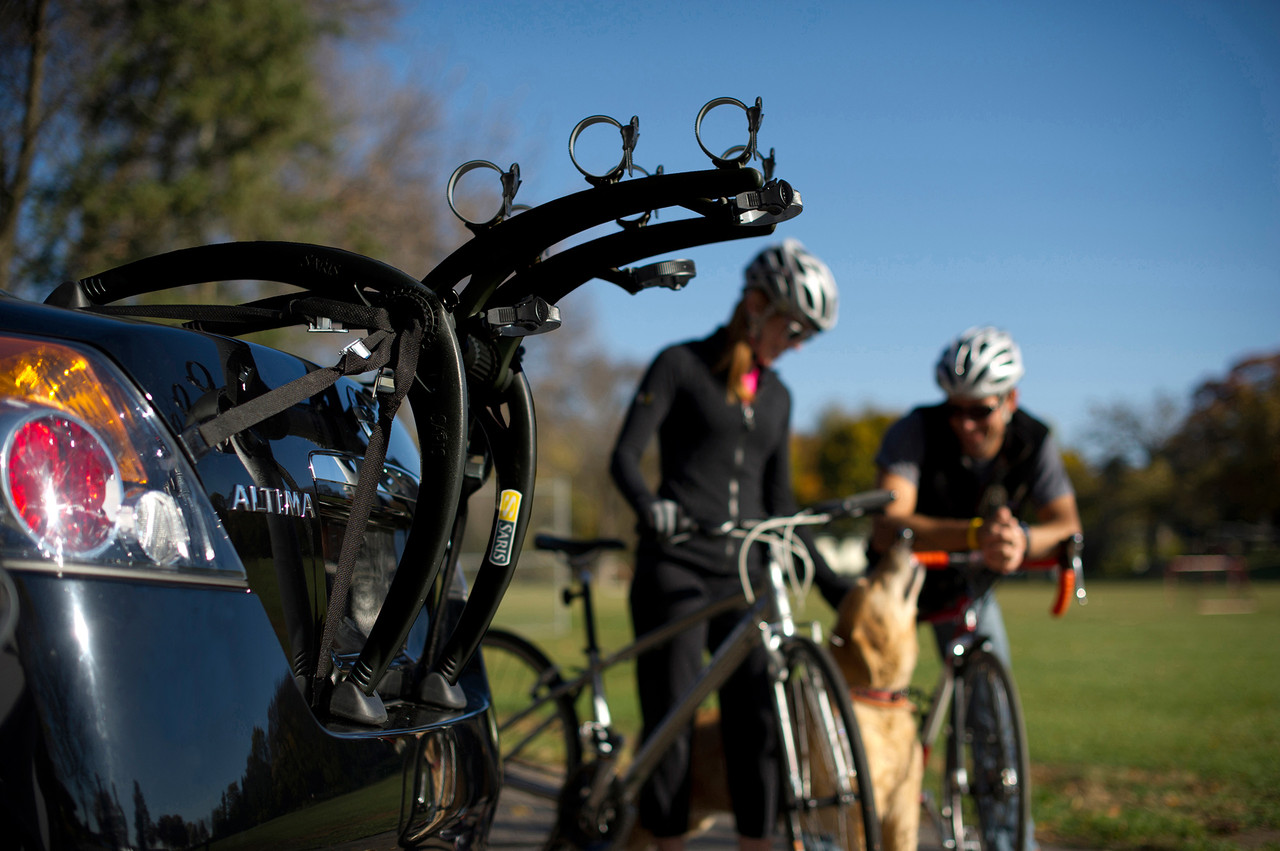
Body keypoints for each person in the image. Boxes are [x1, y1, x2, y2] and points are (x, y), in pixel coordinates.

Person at [609, 239, 847, 851]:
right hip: (677, 567)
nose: (797, 345)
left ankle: (757, 842)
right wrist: (650, 508)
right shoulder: (680, 364)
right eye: (795, 328)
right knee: (674, 720)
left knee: (758, 718)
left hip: (743, 576)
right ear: (756, 304)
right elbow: (626, 457)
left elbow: (782, 508)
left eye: (807, 338)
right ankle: (664, 840)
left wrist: (832, 584)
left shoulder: (778, 397)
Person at [870, 325, 1082, 851]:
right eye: (956, 407)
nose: (966, 423)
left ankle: (1011, 842)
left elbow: (1067, 525)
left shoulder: (1035, 438)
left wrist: (1023, 540)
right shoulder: (914, 431)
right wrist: (972, 533)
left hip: (968, 587)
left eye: (981, 410)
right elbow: (888, 518)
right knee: (865, 703)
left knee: (993, 718)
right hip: (899, 581)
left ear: (1010, 400)